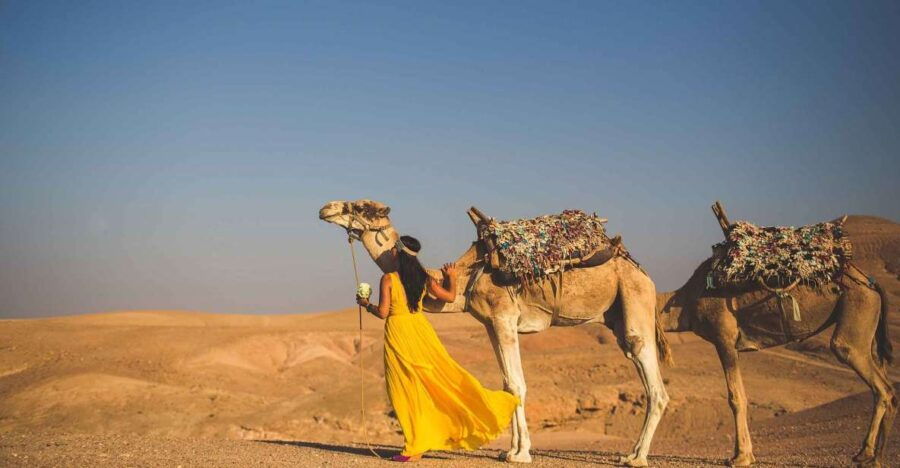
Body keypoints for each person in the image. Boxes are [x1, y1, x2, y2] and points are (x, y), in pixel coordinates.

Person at [355, 235, 519, 462]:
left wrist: (366, 304)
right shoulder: (424, 277)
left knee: (404, 390)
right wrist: (451, 277)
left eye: (393, 249)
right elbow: (450, 297)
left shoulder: (388, 278)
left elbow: (383, 313)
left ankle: (414, 446)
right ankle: (419, 442)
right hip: (421, 331)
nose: (391, 251)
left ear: (398, 253)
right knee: (440, 380)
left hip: (399, 333)